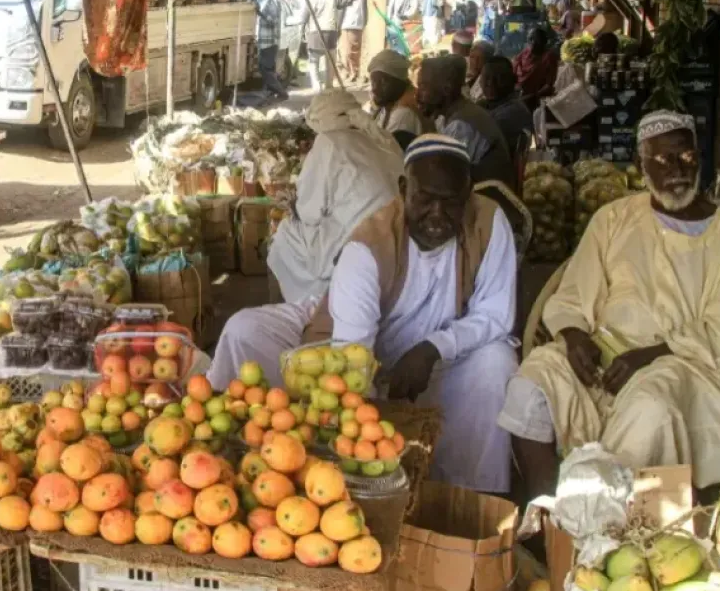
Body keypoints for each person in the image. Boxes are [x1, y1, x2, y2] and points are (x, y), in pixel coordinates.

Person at [213, 134, 518, 493]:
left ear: (467, 196)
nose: (438, 214)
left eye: (451, 202)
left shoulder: (490, 223)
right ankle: (233, 463)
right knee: (244, 330)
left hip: (442, 352)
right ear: (404, 190)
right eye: (426, 199)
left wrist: (432, 348)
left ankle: (471, 494)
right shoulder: (367, 246)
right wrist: (370, 434)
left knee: (497, 362)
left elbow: (496, 315)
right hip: (348, 335)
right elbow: (351, 358)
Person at [500, 111, 720, 497]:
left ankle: (615, 527)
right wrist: (574, 337)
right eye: (660, 159)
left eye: (684, 156)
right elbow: (574, 292)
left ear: (699, 158)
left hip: (688, 367)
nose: (675, 168)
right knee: (532, 383)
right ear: (642, 167)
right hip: (602, 360)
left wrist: (651, 356)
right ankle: (550, 516)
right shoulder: (614, 219)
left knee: (651, 408)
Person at [258, 90, 405, 307]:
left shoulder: (329, 142)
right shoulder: (381, 138)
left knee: (283, 237)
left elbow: (309, 212)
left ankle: (303, 307)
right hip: (396, 236)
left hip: (357, 241)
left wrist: (293, 205)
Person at [417, 55, 516, 191]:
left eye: (423, 87)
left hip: (490, 206)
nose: (417, 95)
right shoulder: (455, 114)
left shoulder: (462, 126)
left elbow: (443, 181)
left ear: (447, 88)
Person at [368, 50, 432, 150]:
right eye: (373, 82)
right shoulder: (389, 102)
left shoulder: (404, 113)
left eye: (382, 82)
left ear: (400, 82)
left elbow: (383, 152)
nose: (375, 88)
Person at [305, 0, 367, 91]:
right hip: (330, 31)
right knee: (330, 61)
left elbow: (305, 15)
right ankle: (329, 84)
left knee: (314, 62)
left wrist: (303, 28)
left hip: (315, 32)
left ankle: (317, 86)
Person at [479, 57, 533, 159]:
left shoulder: (513, 112)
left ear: (513, 80)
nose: (491, 83)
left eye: (499, 78)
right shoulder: (491, 104)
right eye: (486, 78)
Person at [514, 27, 560, 109]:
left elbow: (548, 85)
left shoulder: (549, 57)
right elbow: (515, 66)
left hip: (536, 98)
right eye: (529, 39)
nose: (531, 42)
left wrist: (534, 95)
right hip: (519, 93)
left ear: (543, 42)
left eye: (534, 39)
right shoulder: (526, 52)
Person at [256, 0, 289, 100]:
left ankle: (281, 92)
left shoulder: (273, 0)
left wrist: (260, 13)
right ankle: (269, 92)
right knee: (264, 68)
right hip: (265, 41)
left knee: (265, 69)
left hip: (269, 41)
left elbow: (273, 20)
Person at [339, 0, 366, 84]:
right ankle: (348, 72)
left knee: (352, 51)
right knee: (345, 51)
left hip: (355, 24)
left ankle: (354, 73)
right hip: (345, 24)